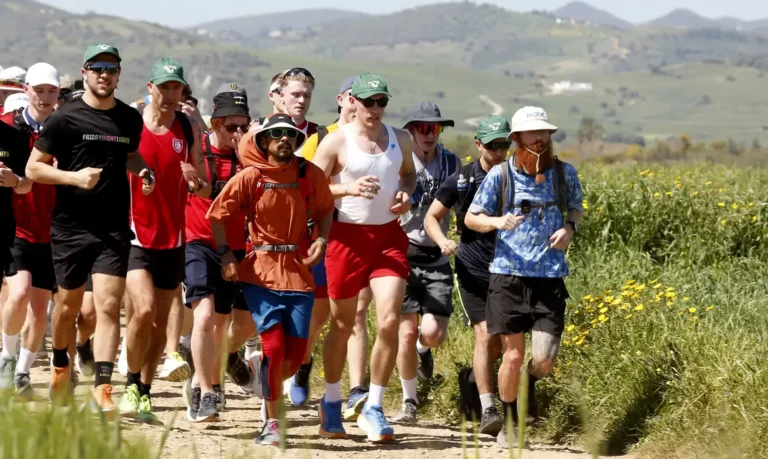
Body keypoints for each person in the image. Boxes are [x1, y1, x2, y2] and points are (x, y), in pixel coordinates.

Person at [25, 44, 154, 412]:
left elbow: (130, 155)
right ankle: (61, 362)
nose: (104, 74)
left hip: (113, 227)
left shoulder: (129, 118)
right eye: (97, 67)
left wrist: (143, 171)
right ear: (85, 72)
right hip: (70, 227)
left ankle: (103, 385)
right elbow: (35, 168)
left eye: (111, 68)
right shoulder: (65, 118)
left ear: (118, 74)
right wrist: (73, 178)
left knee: (110, 305)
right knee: (68, 308)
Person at [208, 113, 334, 446]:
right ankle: (272, 423)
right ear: (264, 141)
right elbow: (217, 215)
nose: (284, 139)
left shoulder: (310, 175)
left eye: (290, 134)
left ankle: (263, 375)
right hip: (260, 270)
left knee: (293, 359)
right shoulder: (252, 176)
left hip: (299, 270)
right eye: (276, 134)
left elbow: (325, 210)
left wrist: (321, 240)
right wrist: (225, 255)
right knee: (274, 347)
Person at [464, 106, 583, 447]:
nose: (540, 138)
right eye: (532, 133)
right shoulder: (501, 175)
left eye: (544, 132)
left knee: (543, 361)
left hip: (549, 276)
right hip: (508, 276)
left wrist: (569, 228)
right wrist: (498, 222)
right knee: (513, 356)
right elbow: (473, 218)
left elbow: (575, 207)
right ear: (516, 139)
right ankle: (511, 424)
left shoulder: (564, 174)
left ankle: (528, 383)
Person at [312, 73, 416, 443]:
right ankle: (331, 400)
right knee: (342, 325)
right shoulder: (335, 142)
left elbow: (407, 176)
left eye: (381, 102)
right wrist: (347, 188)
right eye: (368, 101)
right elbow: (312, 187)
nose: (374, 109)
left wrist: (406, 196)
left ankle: (373, 405)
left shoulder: (400, 138)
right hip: (346, 239)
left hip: (388, 236)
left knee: (388, 320)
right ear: (352, 101)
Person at [117, 58, 208, 423]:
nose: (171, 95)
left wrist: (193, 177)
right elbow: (115, 161)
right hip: (134, 232)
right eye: (165, 87)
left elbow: (205, 185)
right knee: (143, 311)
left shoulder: (186, 128)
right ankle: (128, 382)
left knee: (157, 324)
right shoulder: (130, 123)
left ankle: (143, 390)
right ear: (150, 87)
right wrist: (138, 172)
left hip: (173, 237)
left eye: (177, 88)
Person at [424, 115, 512, 436]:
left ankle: (472, 382)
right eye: (493, 145)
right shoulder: (461, 179)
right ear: (478, 145)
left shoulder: (517, 177)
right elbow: (432, 217)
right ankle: (490, 409)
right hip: (472, 266)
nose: (500, 151)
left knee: (503, 344)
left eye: (505, 144)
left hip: (508, 269)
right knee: (485, 333)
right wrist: (442, 240)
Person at [284, 75, 358, 408]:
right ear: (341, 99)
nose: (362, 105)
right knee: (315, 316)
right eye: (355, 97)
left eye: (370, 100)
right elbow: (306, 186)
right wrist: (346, 190)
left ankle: (350, 388)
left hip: (358, 236)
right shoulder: (321, 138)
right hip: (323, 236)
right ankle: (302, 365)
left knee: (343, 317)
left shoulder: (376, 141)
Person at [182, 82, 250, 422]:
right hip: (197, 241)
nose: (237, 133)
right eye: (230, 126)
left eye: (243, 125)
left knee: (222, 325)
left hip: (236, 247)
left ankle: (203, 379)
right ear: (215, 124)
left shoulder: (250, 155)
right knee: (204, 316)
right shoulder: (196, 152)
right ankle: (205, 392)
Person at [393, 102, 460, 424]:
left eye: (435, 128)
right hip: (401, 254)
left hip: (435, 255)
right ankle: (409, 400)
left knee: (433, 333)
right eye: (423, 128)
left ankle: (424, 350)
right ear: (411, 131)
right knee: (404, 332)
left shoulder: (451, 163)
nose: (430, 134)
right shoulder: (398, 162)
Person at [0, 63, 60, 398]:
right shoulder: (8, 127)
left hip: (52, 230)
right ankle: (7, 357)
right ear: (26, 91)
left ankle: (22, 370)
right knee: (19, 294)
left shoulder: (64, 128)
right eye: (39, 90)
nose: (45, 97)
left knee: (40, 308)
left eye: (51, 91)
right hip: (16, 226)